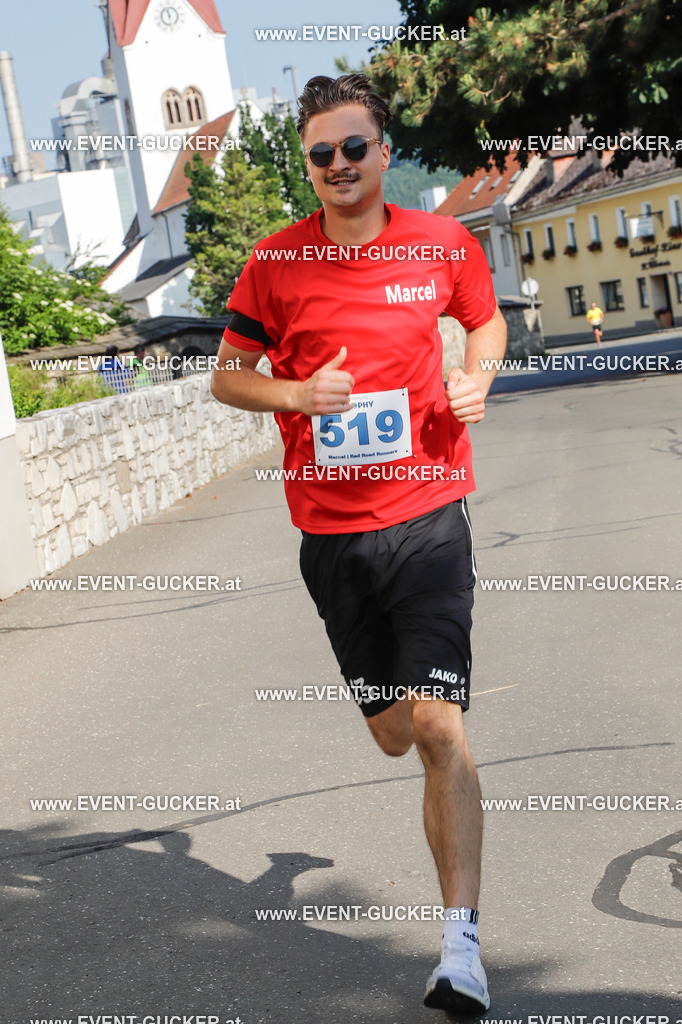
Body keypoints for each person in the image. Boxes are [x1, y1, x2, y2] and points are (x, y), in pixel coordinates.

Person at [210, 73, 507, 1015]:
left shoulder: (441, 241)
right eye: (319, 154)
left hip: (428, 517)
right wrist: (296, 396)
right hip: (332, 538)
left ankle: (461, 951)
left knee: (437, 725)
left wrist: (476, 376)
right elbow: (227, 378)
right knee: (390, 735)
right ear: (308, 164)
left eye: (352, 148)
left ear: (383, 152)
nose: (336, 166)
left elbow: (486, 321)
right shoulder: (274, 263)